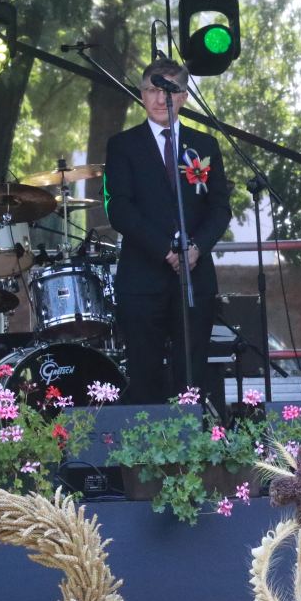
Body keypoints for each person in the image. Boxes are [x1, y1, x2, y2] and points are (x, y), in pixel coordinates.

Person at [104, 59, 232, 404]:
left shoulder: (204, 145)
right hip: (142, 276)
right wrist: (166, 250)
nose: (162, 99)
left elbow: (220, 207)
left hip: (195, 275)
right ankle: (145, 452)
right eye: (153, 90)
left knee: (191, 372)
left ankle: (192, 450)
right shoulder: (123, 145)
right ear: (142, 95)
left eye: (170, 91)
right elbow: (119, 208)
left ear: (185, 96)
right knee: (144, 372)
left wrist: (196, 249)